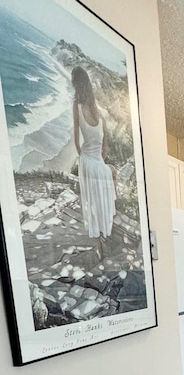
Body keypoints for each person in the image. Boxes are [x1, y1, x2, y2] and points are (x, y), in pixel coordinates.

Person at [71, 66, 117, 253]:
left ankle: (98, 243)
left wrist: (83, 156)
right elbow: (105, 148)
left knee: (91, 202)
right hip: (98, 164)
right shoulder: (100, 114)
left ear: (76, 84)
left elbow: (75, 138)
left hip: (87, 163)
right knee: (111, 173)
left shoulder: (77, 106)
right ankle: (106, 230)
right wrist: (100, 161)